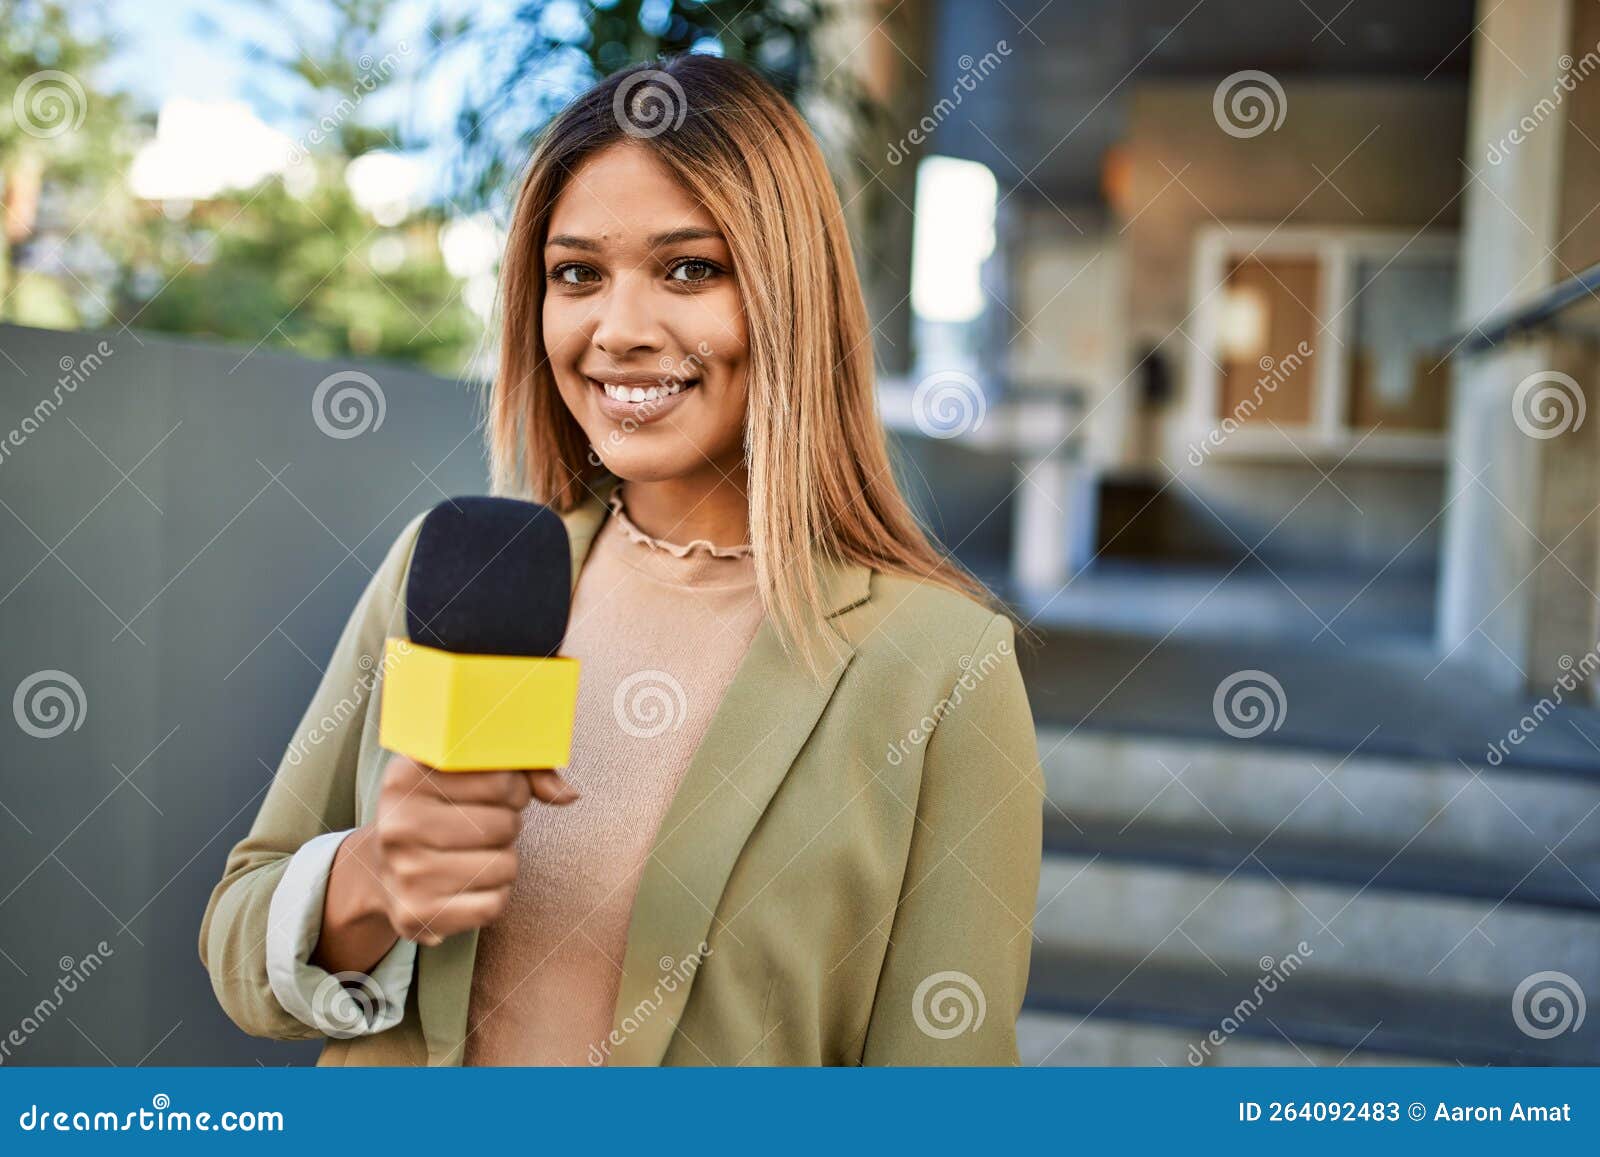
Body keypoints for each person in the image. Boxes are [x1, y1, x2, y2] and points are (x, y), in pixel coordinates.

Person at [199, 53, 1043, 1066]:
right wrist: (372, 878)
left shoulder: (942, 666)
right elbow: (243, 929)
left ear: (790, 294)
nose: (620, 330)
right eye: (576, 274)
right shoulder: (461, 566)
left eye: (690, 267)